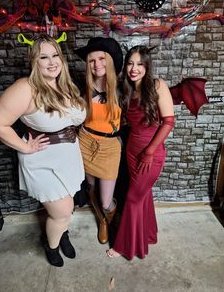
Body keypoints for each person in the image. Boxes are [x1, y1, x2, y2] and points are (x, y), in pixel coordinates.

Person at [0, 33, 86, 267]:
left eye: (55, 56)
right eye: (44, 57)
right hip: (43, 159)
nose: (52, 62)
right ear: (35, 61)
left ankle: (61, 233)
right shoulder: (26, 88)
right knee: (63, 210)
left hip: (69, 155)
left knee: (66, 205)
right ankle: (50, 245)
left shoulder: (65, 84)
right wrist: (25, 146)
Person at [106, 45, 175, 259]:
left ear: (147, 66)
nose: (134, 68)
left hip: (151, 153)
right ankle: (148, 235)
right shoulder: (126, 89)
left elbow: (169, 122)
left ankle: (123, 246)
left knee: (133, 197)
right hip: (132, 150)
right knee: (143, 196)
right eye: (130, 63)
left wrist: (150, 151)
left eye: (139, 64)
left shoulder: (157, 86)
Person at [75, 37, 123, 244]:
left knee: (106, 200)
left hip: (109, 148)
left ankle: (115, 225)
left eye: (101, 58)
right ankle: (102, 222)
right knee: (91, 188)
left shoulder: (123, 88)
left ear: (110, 60)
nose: (97, 65)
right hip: (85, 142)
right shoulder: (81, 87)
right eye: (91, 60)